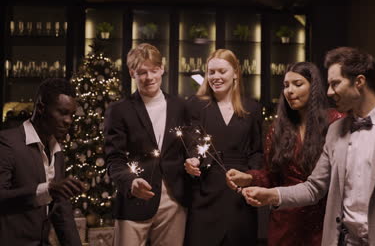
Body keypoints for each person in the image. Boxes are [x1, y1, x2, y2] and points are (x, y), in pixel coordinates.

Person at [241, 47, 375, 245]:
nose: (329, 92)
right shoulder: (335, 130)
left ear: (359, 82)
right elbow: (314, 188)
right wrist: (272, 195)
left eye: (335, 84)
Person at [225, 62, 344, 245]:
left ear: (314, 87)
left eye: (297, 84)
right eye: (286, 85)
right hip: (285, 223)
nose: (289, 91)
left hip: (324, 220)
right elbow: (271, 175)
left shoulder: (335, 122)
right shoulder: (278, 129)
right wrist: (248, 178)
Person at [104, 43, 189, 246]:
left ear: (162, 69)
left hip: (173, 200)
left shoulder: (180, 107)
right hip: (133, 198)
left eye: (154, 70)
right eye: (142, 72)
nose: (149, 77)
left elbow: (189, 147)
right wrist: (130, 182)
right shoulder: (118, 110)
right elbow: (114, 159)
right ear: (132, 73)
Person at [184, 49, 263, 246]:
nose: (215, 77)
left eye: (222, 71)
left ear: (235, 72)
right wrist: (193, 160)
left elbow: (257, 151)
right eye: (211, 72)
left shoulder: (251, 108)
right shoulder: (195, 105)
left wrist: (250, 178)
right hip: (205, 194)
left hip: (239, 196)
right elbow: (193, 144)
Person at [0, 78, 85, 245]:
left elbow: (62, 214)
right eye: (62, 112)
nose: (69, 120)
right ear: (40, 108)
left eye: (71, 115)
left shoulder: (58, 152)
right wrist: (46, 190)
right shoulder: (7, 143)